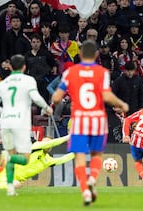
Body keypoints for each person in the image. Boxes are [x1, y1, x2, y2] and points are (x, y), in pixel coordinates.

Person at [51, 40, 129, 206]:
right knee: (96, 154)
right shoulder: (102, 72)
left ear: (80, 54)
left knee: (79, 157)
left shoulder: (70, 72)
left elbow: (56, 97)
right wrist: (121, 104)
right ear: (96, 55)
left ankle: (85, 190)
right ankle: (93, 178)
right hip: (98, 120)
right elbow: (107, 96)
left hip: (79, 119)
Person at [0, 54, 53, 196]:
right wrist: (47, 108)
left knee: (10, 153)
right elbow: (36, 97)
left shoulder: (3, 83)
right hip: (21, 122)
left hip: (5, 122)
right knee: (24, 159)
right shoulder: (28, 80)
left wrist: (5, 112)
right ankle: (9, 161)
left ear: (10, 67)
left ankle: (10, 188)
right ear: (24, 67)